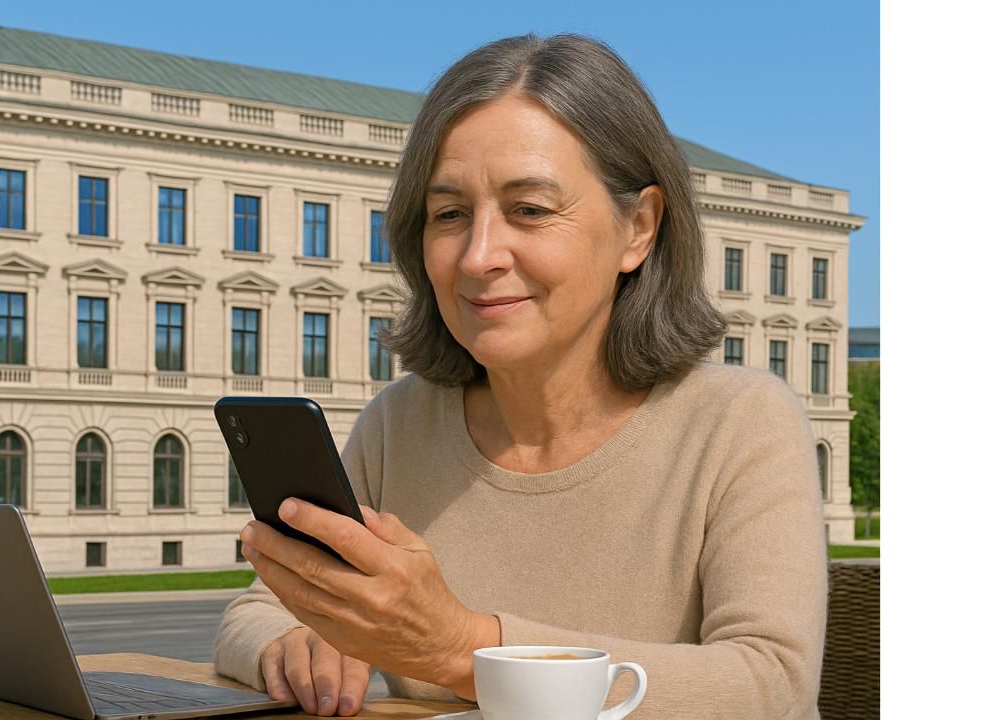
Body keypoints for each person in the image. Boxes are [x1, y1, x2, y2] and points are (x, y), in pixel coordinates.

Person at [212, 33, 827, 719]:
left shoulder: (741, 421)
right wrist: (293, 644)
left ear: (639, 228)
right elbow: (254, 613)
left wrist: (461, 649)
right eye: (449, 214)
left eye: (529, 209)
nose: (477, 256)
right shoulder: (399, 422)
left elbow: (771, 686)